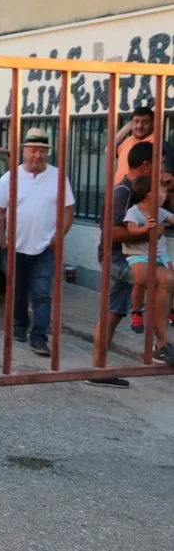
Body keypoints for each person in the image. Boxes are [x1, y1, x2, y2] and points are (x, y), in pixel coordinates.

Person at [0, 127, 75, 357]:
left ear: (48, 153)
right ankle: (19, 326)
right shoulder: (10, 178)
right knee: (17, 292)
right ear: (24, 151)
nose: (37, 155)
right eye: (33, 150)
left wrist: (58, 237)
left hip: (45, 248)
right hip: (15, 247)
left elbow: (68, 211)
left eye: (42, 151)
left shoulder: (58, 177)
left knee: (41, 294)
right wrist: (2, 240)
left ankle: (39, 337)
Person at [90, 141, 166, 387]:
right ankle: (162, 345)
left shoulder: (138, 190)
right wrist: (148, 233)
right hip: (117, 258)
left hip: (127, 257)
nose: (161, 169)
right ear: (147, 165)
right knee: (162, 281)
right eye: (159, 164)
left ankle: (98, 371)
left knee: (112, 313)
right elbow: (111, 232)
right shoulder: (123, 192)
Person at [121, 176, 174, 365]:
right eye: (162, 191)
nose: (165, 195)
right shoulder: (135, 211)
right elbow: (131, 230)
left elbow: (172, 218)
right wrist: (145, 229)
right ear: (149, 194)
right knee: (141, 279)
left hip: (158, 256)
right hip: (138, 255)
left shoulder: (160, 212)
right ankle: (136, 311)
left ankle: (169, 312)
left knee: (171, 279)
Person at [112, 106, 174, 187]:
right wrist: (130, 125)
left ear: (153, 124)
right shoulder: (127, 141)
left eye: (145, 122)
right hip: (119, 192)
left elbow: (167, 179)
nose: (139, 126)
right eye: (136, 122)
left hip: (142, 194)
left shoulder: (159, 144)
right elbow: (108, 149)